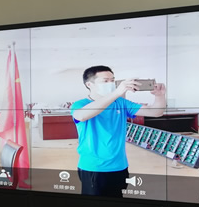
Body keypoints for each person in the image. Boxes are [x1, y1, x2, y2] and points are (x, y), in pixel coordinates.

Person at [71, 65, 166, 197]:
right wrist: (117, 92)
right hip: (94, 167)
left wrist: (160, 96)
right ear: (89, 84)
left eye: (112, 80)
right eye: (105, 81)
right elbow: (81, 116)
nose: (110, 84)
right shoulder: (80, 105)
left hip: (119, 166)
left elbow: (156, 112)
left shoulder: (120, 103)